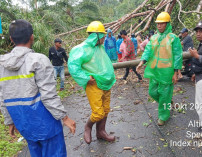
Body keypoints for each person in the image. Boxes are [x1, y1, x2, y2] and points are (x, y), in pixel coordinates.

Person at [0, 19, 76, 157]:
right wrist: (64, 118)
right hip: (47, 126)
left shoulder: (2, 64)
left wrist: (10, 121)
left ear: (11, 39)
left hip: (24, 124)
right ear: (32, 37)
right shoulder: (38, 60)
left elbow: (2, 97)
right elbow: (48, 95)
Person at [68, 21, 116, 144]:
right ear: (96, 35)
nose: (105, 37)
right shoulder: (82, 49)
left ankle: (101, 132)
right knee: (98, 113)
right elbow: (73, 66)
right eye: (103, 35)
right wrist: (85, 77)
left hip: (105, 83)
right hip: (94, 85)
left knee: (105, 110)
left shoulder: (100, 47)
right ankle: (88, 127)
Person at [136, 12, 183, 126]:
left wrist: (176, 72)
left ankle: (163, 116)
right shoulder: (154, 38)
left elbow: (177, 55)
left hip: (167, 73)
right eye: (158, 24)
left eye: (162, 24)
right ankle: (167, 102)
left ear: (167, 24)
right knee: (152, 92)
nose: (159, 26)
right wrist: (142, 62)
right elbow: (147, 51)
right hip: (155, 72)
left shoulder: (173, 38)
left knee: (164, 94)